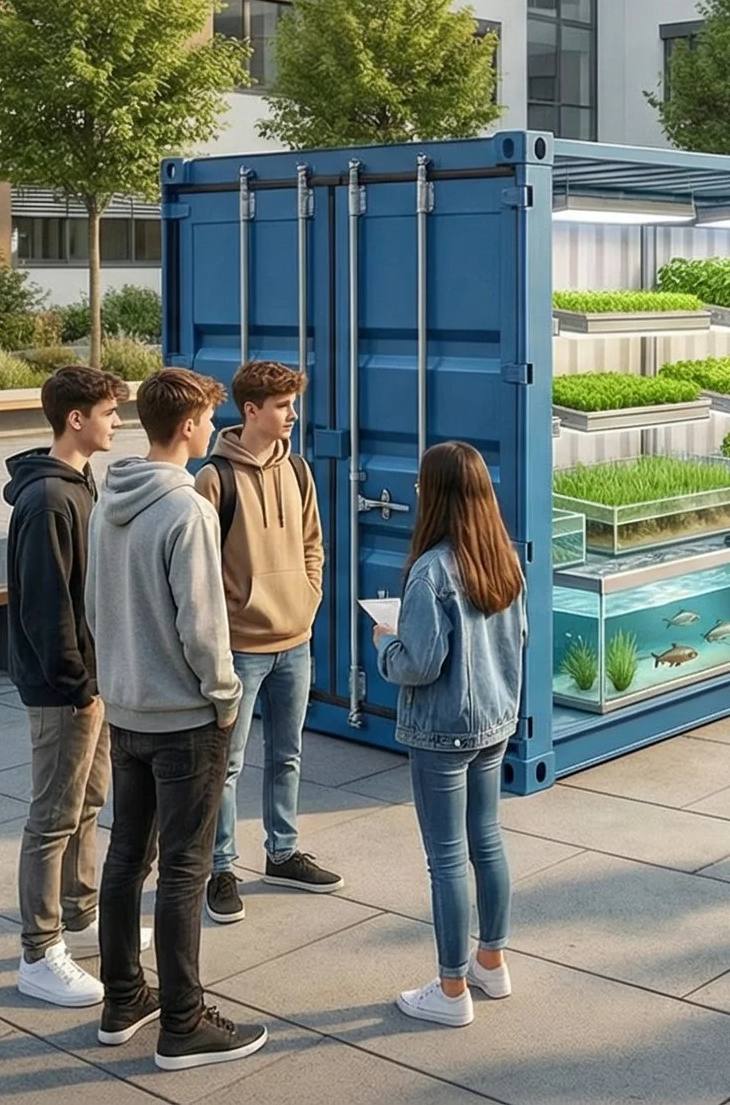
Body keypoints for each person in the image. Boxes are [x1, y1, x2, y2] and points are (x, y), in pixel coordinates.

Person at [88, 367, 268, 1071]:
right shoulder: (187, 508)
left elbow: (95, 606)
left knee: (127, 854)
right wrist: (225, 696)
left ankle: (122, 999)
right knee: (187, 869)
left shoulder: (110, 500)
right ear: (190, 423)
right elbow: (202, 627)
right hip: (184, 719)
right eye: (206, 419)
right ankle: (185, 1023)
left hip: (127, 710)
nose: (207, 429)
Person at [7, 365, 151, 1008]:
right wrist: (77, 685)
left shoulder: (79, 484)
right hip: (66, 690)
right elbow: (46, 608)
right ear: (76, 419)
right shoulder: (47, 500)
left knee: (87, 806)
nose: (117, 422)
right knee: (52, 819)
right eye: (109, 412)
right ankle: (39, 953)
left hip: (92, 683)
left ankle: (82, 916)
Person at [373, 440, 527, 1028]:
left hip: (442, 731)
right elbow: (520, 639)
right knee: (487, 841)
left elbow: (419, 664)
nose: (414, 491)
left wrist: (386, 643)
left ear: (435, 494)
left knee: (446, 860)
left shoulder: (431, 570)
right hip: (493, 721)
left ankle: (451, 988)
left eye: (419, 484)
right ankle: (492, 961)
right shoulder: (504, 558)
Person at [193, 360, 338, 925]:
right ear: (250, 410)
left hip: (295, 638)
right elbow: (199, 569)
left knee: (289, 754)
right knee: (226, 765)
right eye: (282, 406)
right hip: (242, 649)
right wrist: (232, 621)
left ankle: (282, 853)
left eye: (292, 404)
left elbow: (312, 544)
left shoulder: (299, 471)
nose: (292, 415)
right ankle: (221, 868)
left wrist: (308, 598)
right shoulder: (214, 479)